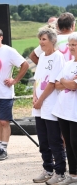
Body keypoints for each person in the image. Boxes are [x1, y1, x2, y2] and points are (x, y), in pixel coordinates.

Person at [0, 27, 29, 161]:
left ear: (1, 37)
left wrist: (15, 80)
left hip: (5, 94)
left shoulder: (9, 51)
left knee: (4, 121)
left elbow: (25, 64)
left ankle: (4, 149)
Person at [31, 27, 66, 184]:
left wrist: (41, 100)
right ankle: (48, 168)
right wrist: (34, 97)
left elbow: (52, 83)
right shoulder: (43, 57)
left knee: (54, 140)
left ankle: (60, 172)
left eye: (44, 39)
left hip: (50, 105)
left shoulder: (58, 57)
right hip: (38, 106)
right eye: (40, 39)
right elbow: (36, 80)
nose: (41, 42)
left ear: (52, 40)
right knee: (43, 140)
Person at [51, 32, 77, 185]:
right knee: (67, 141)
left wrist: (66, 81)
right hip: (63, 110)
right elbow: (58, 84)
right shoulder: (68, 64)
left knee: (75, 142)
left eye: (74, 45)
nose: (71, 47)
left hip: (75, 112)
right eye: (70, 44)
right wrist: (65, 80)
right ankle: (73, 174)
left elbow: (74, 85)